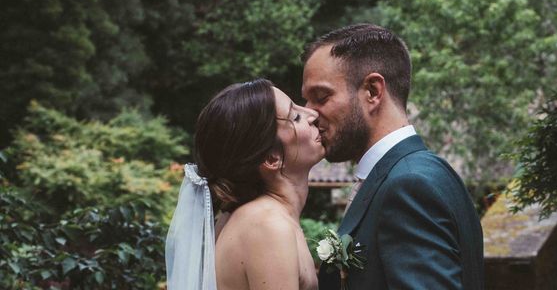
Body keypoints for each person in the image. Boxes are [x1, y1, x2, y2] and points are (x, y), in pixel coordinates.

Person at [302, 24, 484, 290]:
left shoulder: (409, 186)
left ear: (373, 91)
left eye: (320, 97)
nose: (310, 113)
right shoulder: (424, 172)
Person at [166, 78, 325, 290]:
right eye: (295, 117)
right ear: (271, 158)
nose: (312, 114)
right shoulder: (267, 226)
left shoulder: (252, 216)